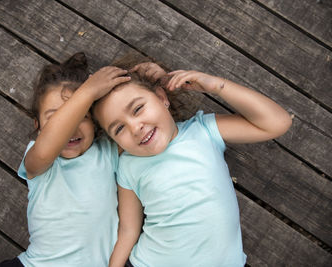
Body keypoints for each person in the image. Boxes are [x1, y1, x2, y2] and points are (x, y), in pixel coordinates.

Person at [92, 60, 292, 267]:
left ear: (162, 98)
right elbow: (128, 229)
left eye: (138, 108)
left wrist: (216, 86)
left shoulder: (203, 131)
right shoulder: (128, 166)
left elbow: (277, 123)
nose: (135, 127)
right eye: (119, 129)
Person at [0, 52, 130, 267]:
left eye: (81, 115)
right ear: (38, 127)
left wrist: (146, 72)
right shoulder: (40, 161)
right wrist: (88, 92)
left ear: (94, 122)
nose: (70, 127)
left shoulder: (108, 151)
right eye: (56, 117)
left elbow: (138, 114)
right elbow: (47, 147)